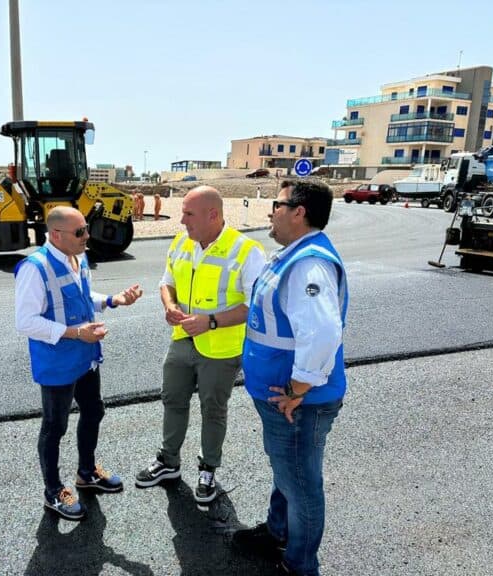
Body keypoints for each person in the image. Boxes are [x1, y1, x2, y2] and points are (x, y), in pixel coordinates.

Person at [233, 180, 348, 576]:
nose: (271, 211)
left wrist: (298, 390)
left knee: (301, 485)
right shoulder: (290, 255)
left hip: (298, 402)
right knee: (289, 473)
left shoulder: (307, 264)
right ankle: (277, 532)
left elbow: (323, 333)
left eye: (277, 204)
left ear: (299, 211)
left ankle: (300, 564)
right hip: (285, 395)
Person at [135, 185, 265, 505]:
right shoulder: (183, 242)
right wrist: (169, 305)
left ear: (213, 215)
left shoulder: (247, 251)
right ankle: (168, 462)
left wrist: (210, 321)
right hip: (182, 339)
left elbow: (256, 305)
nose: (181, 220)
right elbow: (167, 283)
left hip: (220, 349)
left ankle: (208, 469)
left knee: (213, 409)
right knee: (173, 399)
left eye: (188, 214)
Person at [14, 206, 143, 521]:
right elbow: (25, 322)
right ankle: (53, 492)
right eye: (80, 232)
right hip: (57, 362)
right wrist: (75, 333)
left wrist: (113, 300)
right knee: (54, 427)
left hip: (86, 355)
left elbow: (81, 295)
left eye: (86, 228)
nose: (88, 236)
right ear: (56, 235)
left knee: (94, 410)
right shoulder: (36, 268)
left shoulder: (78, 258)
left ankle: (86, 473)